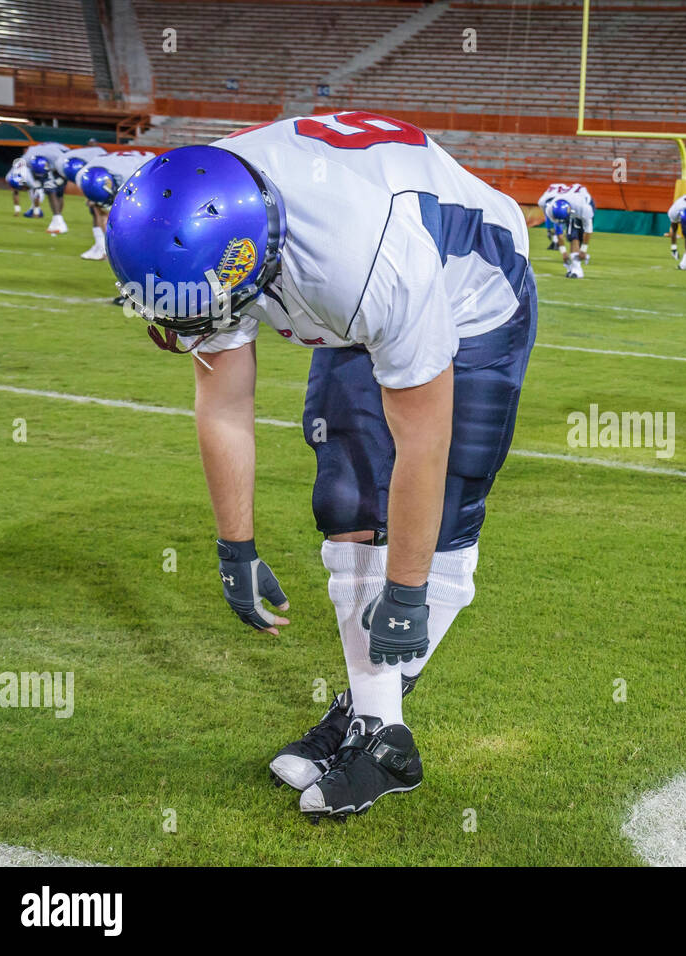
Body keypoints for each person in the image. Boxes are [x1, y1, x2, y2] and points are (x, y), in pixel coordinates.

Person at [103, 111, 536, 821]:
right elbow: (223, 398)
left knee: (445, 522)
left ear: (248, 260)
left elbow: (422, 444)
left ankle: (375, 726)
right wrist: (233, 546)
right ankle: (378, 724)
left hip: (472, 289)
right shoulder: (202, 209)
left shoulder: (363, 265)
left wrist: (406, 591)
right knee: (343, 497)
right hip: (343, 252)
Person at [74, 151, 156, 260]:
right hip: (117, 168)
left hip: (148, 166)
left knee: (139, 216)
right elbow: (97, 205)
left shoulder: (132, 174)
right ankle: (103, 246)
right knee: (96, 208)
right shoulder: (82, 176)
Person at [22, 141, 70, 234]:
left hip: (64, 163)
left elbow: (66, 167)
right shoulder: (27, 158)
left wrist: (62, 179)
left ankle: (58, 220)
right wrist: (33, 182)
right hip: (49, 162)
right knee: (51, 190)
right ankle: (56, 220)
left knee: (57, 192)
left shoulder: (57, 157)